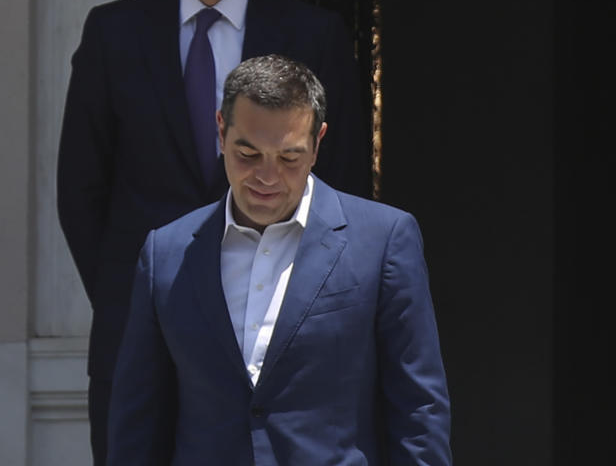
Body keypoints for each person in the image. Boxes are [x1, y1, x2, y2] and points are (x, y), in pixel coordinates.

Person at [56, 0, 371, 464]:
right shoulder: (113, 33)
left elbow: (346, 187)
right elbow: (81, 190)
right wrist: (137, 296)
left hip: (279, 343)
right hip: (141, 336)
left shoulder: (314, 34)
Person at [106, 55, 451, 465]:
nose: (267, 178)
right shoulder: (166, 252)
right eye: (248, 154)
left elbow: (418, 409)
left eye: (289, 157)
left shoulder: (383, 240)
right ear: (221, 131)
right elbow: (138, 421)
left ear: (318, 143)